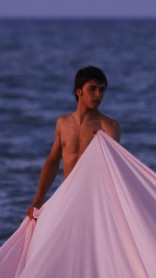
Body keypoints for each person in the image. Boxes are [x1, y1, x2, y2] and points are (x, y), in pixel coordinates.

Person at [27, 66, 121, 219]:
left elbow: (114, 168)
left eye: (102, 90)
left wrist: (103, 146)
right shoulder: (63, 123)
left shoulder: (109, 127)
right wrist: (37, 200)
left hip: (95, 201)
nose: (98, 95)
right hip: (66, 197)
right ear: (79, 92)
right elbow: (53, 161)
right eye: (92, 89)